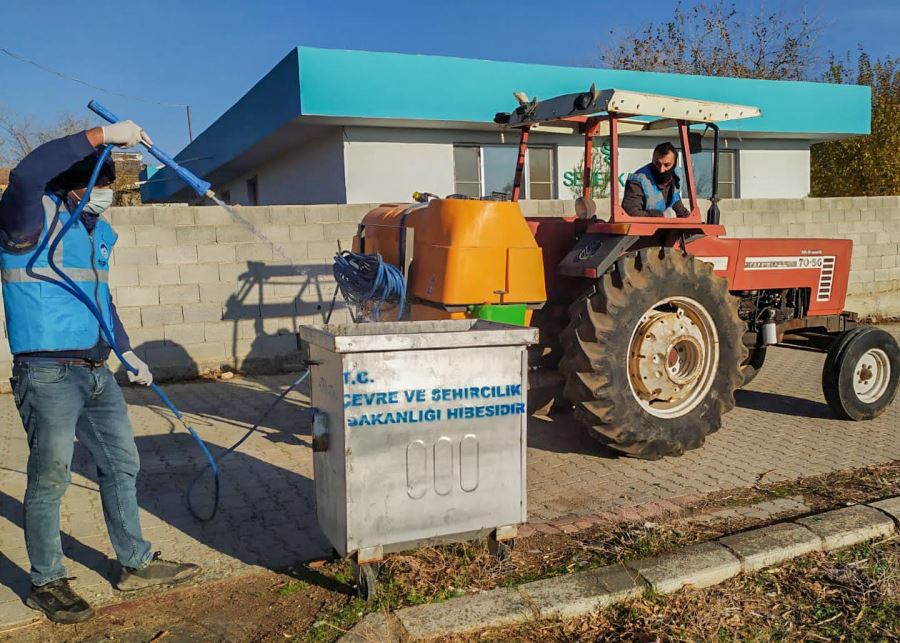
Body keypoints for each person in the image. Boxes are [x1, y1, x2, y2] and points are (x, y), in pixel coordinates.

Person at [0, 123, 200, 624]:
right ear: (77, 185)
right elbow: (24, 175)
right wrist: (99, 135)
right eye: (104, 186)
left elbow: (100, 299)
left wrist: (127, 352)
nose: (108, 197)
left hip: (96, 370)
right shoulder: (26, 218)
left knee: (123, 465)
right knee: (50, 480)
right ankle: (46, 580)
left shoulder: (96, 233)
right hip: (46, 373)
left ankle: (133, 562)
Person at [622, 142, 690, 218]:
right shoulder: (638, 180)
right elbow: (630, 212)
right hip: (643, 228)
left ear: (674, 164)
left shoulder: (676, 176)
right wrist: (662, 215)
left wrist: (690, 219)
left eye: (667, 165)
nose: (661, 169)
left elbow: (675, 201)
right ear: (652, 160)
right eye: (657, 164)